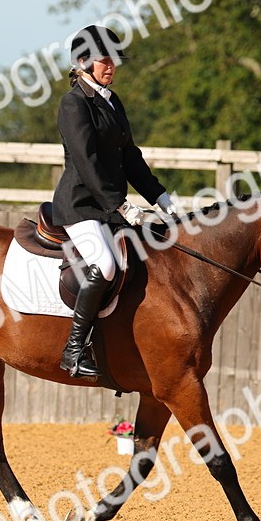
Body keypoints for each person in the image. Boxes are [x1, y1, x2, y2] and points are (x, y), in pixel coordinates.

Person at [51, 24, 175, 379]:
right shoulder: (73, 104)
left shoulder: (112, 101)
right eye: (104, 60)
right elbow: (87, 162)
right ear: (83, 62)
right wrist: (120, 205)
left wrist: (160, 195)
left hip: (108, 207)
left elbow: (130, 157)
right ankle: (74, 350)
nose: (111, 66)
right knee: (105, 264)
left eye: (114, 60)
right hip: (80, 205)